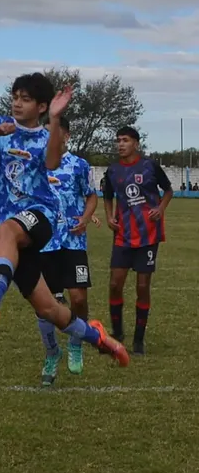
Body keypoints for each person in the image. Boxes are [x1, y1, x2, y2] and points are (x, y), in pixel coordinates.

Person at [0, 73, 128, 371]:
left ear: (40, 106)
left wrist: (54, 119)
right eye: (15, 97)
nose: (17, 104)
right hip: (5, 232)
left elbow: (51, 163)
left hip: (40, 214)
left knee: (9, 229)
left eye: (25, 99)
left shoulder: (44, 136)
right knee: (49, 308)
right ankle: (101, 340)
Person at [37, 116, 101, 383]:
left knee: (78, 299)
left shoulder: (79, 165)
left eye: (56, 133)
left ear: (67, 136)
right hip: (44, 242)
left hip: (74, 242)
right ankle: (52, 354)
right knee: (47, 305)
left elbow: (91, 195)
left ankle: (76, 341)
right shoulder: (36, 165)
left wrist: (86, 218)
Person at [101, 126, 174, 355]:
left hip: (147, 236)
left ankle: (139, 340)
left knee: (143, 287)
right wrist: (109, 216)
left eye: (125, 140)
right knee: (115, 284)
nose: (120, 144)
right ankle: (117, 332)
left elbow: (169, 190)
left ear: (136, 143)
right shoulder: (113, 171)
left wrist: (160, 209)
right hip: (122, 235)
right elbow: (107, 195)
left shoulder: (150, 166)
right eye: (118, 140)